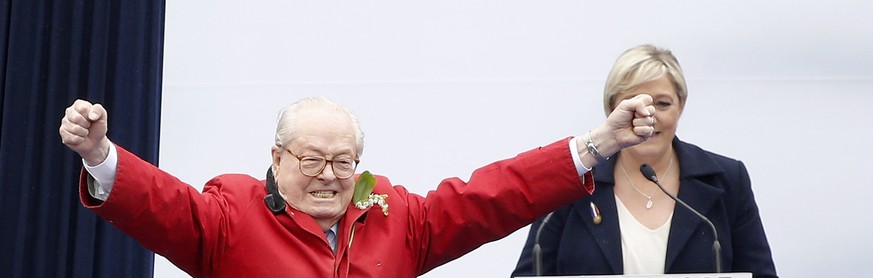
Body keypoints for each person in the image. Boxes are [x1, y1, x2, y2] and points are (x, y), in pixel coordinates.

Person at [60, 95, 657, 277]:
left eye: (344, 161)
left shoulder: (397, 215)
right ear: (276, 157)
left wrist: (597, 144)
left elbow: (490, 196)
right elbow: (161, 205)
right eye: (312, 159)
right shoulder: (229, 214)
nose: (329, 175)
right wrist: (99, 153)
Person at [513, 44, 778, 277]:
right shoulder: (575, 181)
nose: (649, 117)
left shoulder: (726, 180)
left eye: (662, 104)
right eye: (633, 104)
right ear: (611, 108)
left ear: (681, 105)